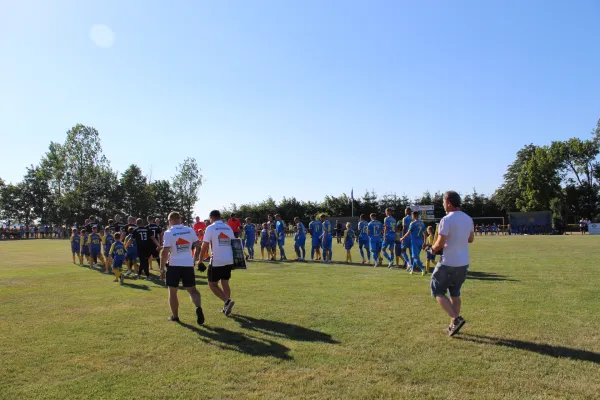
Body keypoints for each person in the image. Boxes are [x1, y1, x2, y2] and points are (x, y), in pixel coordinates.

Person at [430, 191, 474, 337]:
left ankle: (456, 319)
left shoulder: (446, 219)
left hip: (448, 262)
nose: (443, 205)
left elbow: (440, 243)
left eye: (443, 201)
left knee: (437, 291)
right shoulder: (468, 219)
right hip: (463, 263)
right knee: (455, 294)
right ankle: (452, 326)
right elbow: (470, 239)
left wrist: (432, 249)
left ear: (448, 202)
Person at [160, 211, 204, 324]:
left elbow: (164, 253)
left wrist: (161, 269)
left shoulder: (169, 232)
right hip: (188, 264)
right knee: (192, 290)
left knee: (173, 291)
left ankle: (175, 316)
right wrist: (197, 258)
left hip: (174, 264)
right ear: (180, 219)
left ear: (170, 221)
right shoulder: (189, 230)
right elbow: (199, 245)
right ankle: (198, 307)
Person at [197, 210, 236, 316]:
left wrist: (200, 260)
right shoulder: (228, 227)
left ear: (211, 218)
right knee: (225, 283)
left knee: (212, 284)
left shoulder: (210, 228)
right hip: (228, 259)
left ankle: (227, 301)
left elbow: (204, 246)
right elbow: (234, 243)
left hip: (217, 260)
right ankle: (226, 306)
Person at [401, 211, 427, 275]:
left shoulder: (412, 223)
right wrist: (424, 242)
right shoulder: (422, 223)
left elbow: (408, 232)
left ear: (413, 216)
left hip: (414, 242)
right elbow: (425, 233)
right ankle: (412, 270)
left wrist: (403, 238)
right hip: (420, 241)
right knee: (415, 256)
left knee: (415, 257)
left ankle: (423, 268)